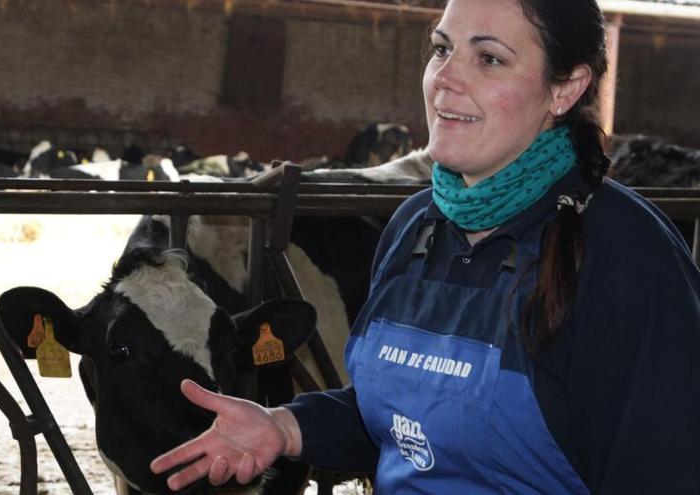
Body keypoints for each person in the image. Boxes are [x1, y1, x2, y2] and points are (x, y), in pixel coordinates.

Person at [150, 0, 700, 492]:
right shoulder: (415, 227)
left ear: (566, 88)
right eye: (441, 49)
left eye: (489, 59)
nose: (444, 79)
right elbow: (402, 421)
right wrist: (285, 426)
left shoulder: (626, 254)